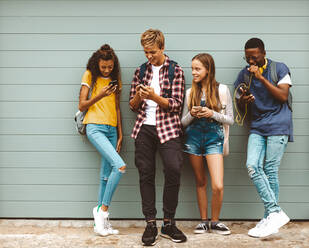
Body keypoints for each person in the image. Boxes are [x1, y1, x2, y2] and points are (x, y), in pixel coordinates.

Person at [129, 29, 187, 246]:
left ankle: (169, 223)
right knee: (146, 174)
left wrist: (154, 96)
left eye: (152, 52)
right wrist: (139, 96)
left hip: (169, 128)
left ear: (162, 47)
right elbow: (133, 106)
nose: (149, 56)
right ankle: (150, 223)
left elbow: (175, 105)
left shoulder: (175, 70)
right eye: (146, 52)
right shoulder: (140, 71)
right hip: (144, 128)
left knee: (173, 169)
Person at [234, 38, 293, 238]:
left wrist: (260, 78)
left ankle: (270, 217)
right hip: (257, 126)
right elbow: (239, 105)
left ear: (264, 53)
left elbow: (283, 96)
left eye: (254, 57)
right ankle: (275, 213)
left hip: (278, 124)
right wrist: (243, 100)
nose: (251, 61)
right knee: (252, 166)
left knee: (270, 169)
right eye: (247, 57)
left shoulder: (280, 68)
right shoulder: (244, 74)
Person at [181, 53, 234, 235]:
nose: (194, 72)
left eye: (198, 69)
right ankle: (203, 221)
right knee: (200, 181)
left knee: (217, 185)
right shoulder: (189, 93)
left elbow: (230, 120)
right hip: (193, 140)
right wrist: (192, 114)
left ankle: (215, 221)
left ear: (208, 70)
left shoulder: (222, 90)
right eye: (192, 69)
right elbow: (182, 123)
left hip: (214, 139)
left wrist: (212, 114)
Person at [78, 44, 126, 236]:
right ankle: (102, 210)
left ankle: (100, 225)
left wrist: (121, 134)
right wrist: (100, 95)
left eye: (110, 67)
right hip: (95, 127)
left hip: (112, 129)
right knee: (120, 166)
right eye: (103, 67)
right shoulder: (89, 75)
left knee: (105, 176)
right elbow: (82, 105)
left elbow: (116, 108)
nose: (106, 70)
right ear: (97, 64)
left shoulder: (115, 79)